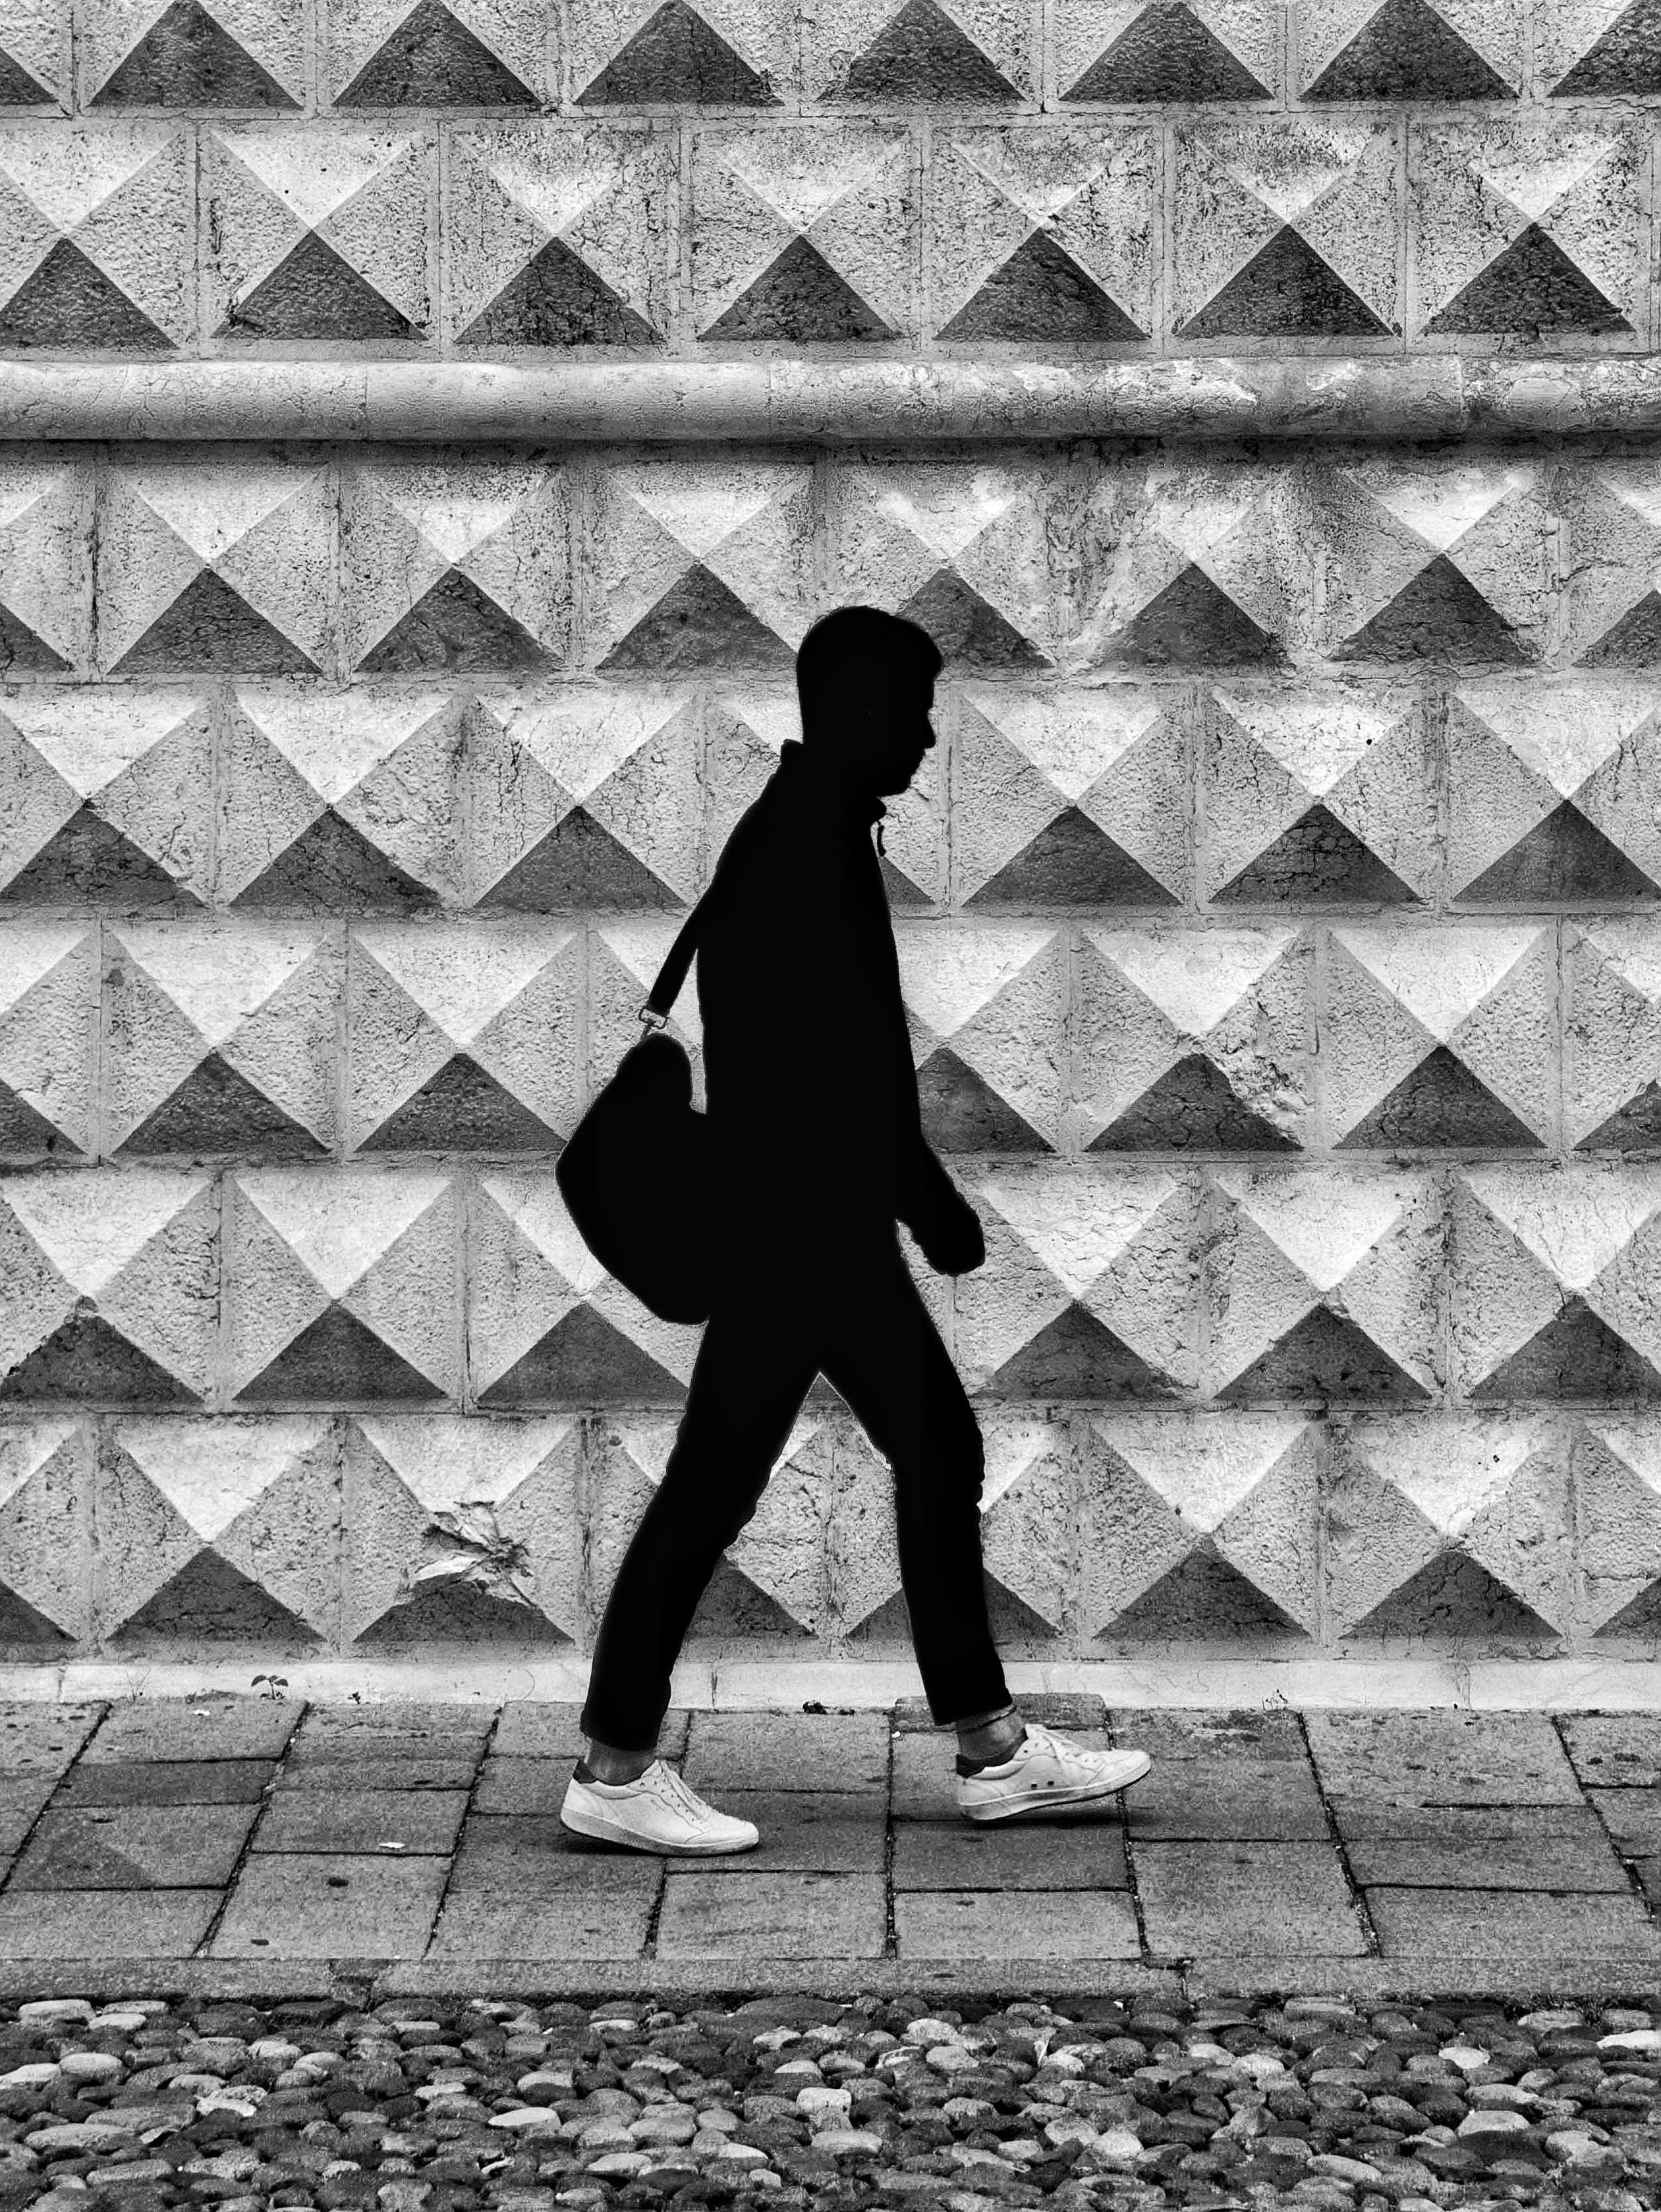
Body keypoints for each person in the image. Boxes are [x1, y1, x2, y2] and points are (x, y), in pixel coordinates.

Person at [560, 607, 1153, 1854]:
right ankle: (624, 1769)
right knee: (794, 1476)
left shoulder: (804, 829)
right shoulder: (806, 846)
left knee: (888, 1458)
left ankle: (984, 1745)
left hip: (809, 1222)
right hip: (807, 1229)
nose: (931, 736)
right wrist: (928, 1203)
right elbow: (851, 1073)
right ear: (856, 709)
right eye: (915, 709)